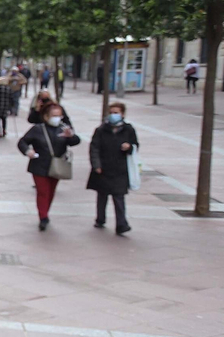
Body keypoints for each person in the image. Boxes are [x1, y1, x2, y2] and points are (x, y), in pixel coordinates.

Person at [16, 103, 81, 231]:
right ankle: (43, 216)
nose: (57, 118)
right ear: (46, 116)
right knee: (43, 191)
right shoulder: (37, 129)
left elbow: (75, 142)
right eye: (54, 115)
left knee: (51, 191)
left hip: (57, 166)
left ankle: (45, 211)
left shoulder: (63, 129)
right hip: (39, 164)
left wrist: (71, 136)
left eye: (59, 115)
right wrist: (27, 152)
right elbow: (22, 142)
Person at [89, 101, 139, 236]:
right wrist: (96, 165)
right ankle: (100, 219)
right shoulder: (101, 130)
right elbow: (94, 148)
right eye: (111, 113)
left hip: (120, 169)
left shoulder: (128, 129)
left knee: (119, 197)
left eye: (116, 113)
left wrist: (129, 147)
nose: (113, 115)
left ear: (122, 114)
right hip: (104, 168)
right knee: (102, 196)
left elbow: (135, 145)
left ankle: (121, 224)